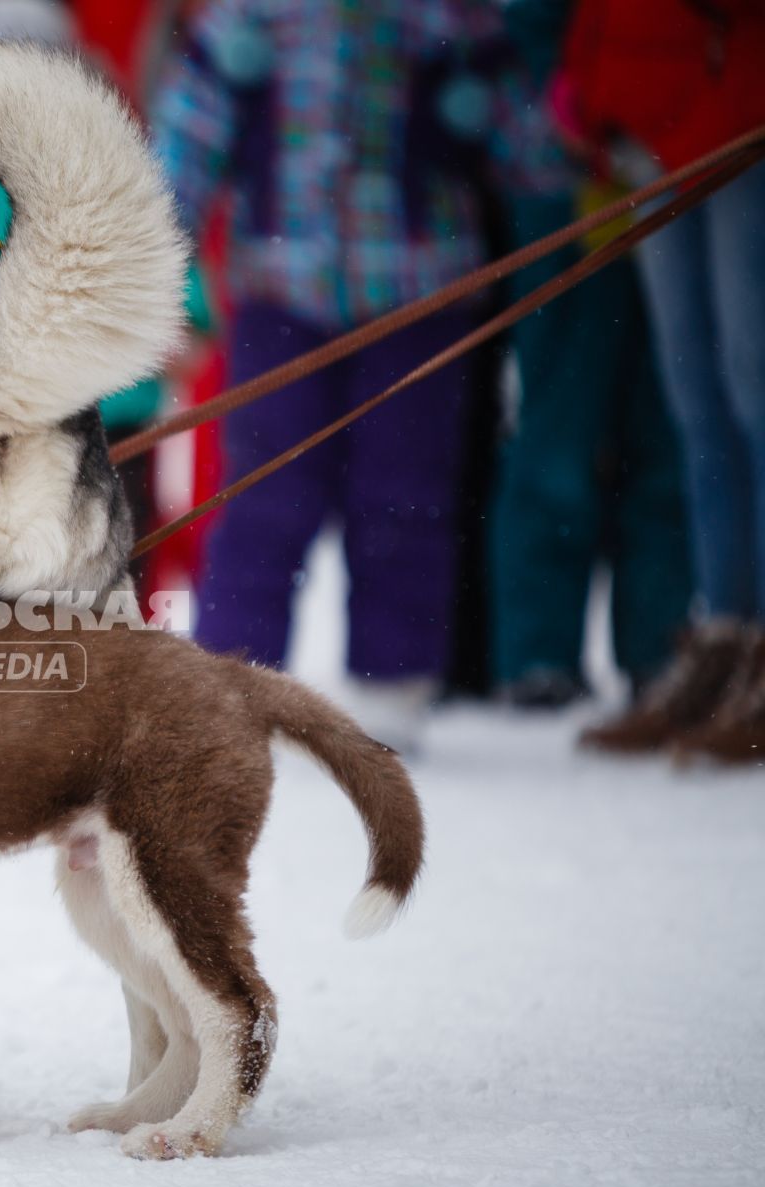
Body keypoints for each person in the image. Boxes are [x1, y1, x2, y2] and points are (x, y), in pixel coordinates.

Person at [152, 0, 563, 752]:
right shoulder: (250, 16)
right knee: (262, 495)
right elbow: (182, 147)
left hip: (418, 293)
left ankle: (392, 683)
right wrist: (158, 273)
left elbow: (534, 155)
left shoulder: (452, 19)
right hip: (282, 289)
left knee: (404, 495)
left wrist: (479, 109)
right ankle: (228, 680)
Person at [561, 0, 765, 762]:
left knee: (755, 390)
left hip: (739, 108)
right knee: (697, 401)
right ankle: (725, 636)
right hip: (647, 118)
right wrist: (588, 80)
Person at [486, 0, 694, 711]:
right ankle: (538, 654)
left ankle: (661, 648)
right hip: (565, 173)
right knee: (557, 430)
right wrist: (569, 99)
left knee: (667, 428)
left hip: (680, 158)